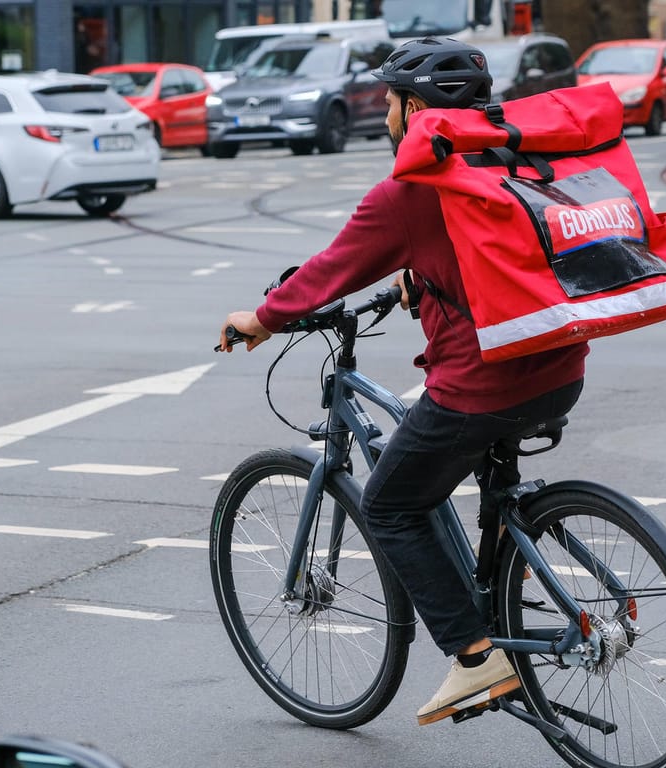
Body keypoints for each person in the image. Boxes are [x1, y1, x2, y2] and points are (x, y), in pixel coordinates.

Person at [217, 36, 587, 726]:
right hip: (561, 369)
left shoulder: (412, 190)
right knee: (464, 472)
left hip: (484, 386)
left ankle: (478, 657)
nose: (385, 113)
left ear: (414, 107)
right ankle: (508, 580)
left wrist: (261, 319)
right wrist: (426, 273)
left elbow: (330, 272)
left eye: (390, 101)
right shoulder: (512, 161)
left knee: (389, 503)